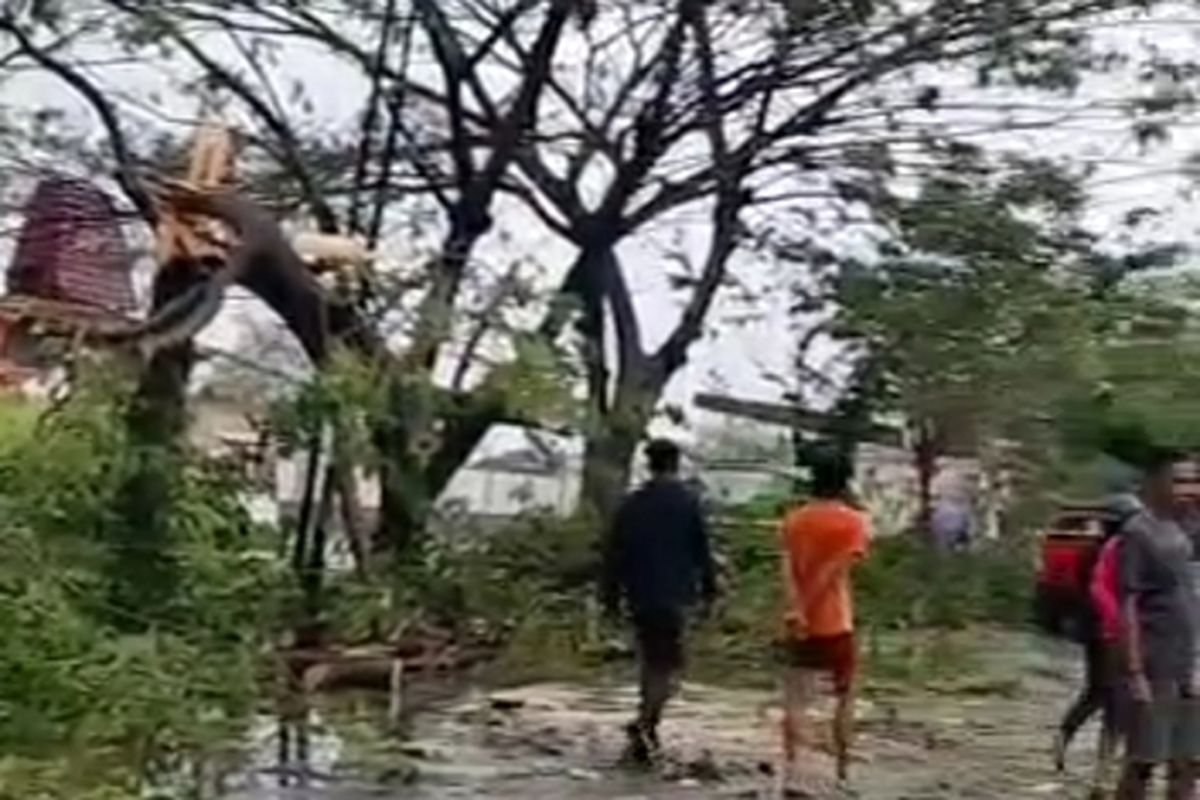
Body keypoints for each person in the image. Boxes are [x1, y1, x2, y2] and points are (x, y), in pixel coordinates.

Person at [600, 438, 718, 764]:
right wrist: (710, 591)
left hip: (639, 593)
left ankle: (645, 722)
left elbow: (614, 554)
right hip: (676, 595)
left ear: (648, 464)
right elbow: (702, 551)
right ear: (676, 463)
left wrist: (609, 597)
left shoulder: (632, 504)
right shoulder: (688, 502)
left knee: (650, 659)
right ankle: (646, 724)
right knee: (668, 665)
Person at [777, 447, 869, 787]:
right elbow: (833, 572)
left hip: (798, 625)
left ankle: (792, 771)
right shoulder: (853, 522)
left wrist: (795, 609)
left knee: (795, 700)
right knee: (844, 699)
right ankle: (842, 775)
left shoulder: (793, 520)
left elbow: (787, 570)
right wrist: (808, 607)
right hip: (836, 623)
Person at [1117, 454, 1200, 800]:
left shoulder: (1191, 527)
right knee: (1144, 758)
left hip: (1191, 661)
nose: (1189, 489)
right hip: (1156, 661)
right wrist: (1135, 670)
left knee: (1189, 760)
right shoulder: (1139, 531)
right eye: (1180, 481)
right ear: (1158, 485)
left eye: (1194, 481)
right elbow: (1128, 603)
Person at [1054, 492, 1140, 794]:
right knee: (1115, 699)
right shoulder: (1121, 551)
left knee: (1096, 692)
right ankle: (1104, 770)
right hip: (1110, 632)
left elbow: (1076, 589)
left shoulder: (1091, 550)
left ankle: (1065, 738)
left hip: (1092, 631)